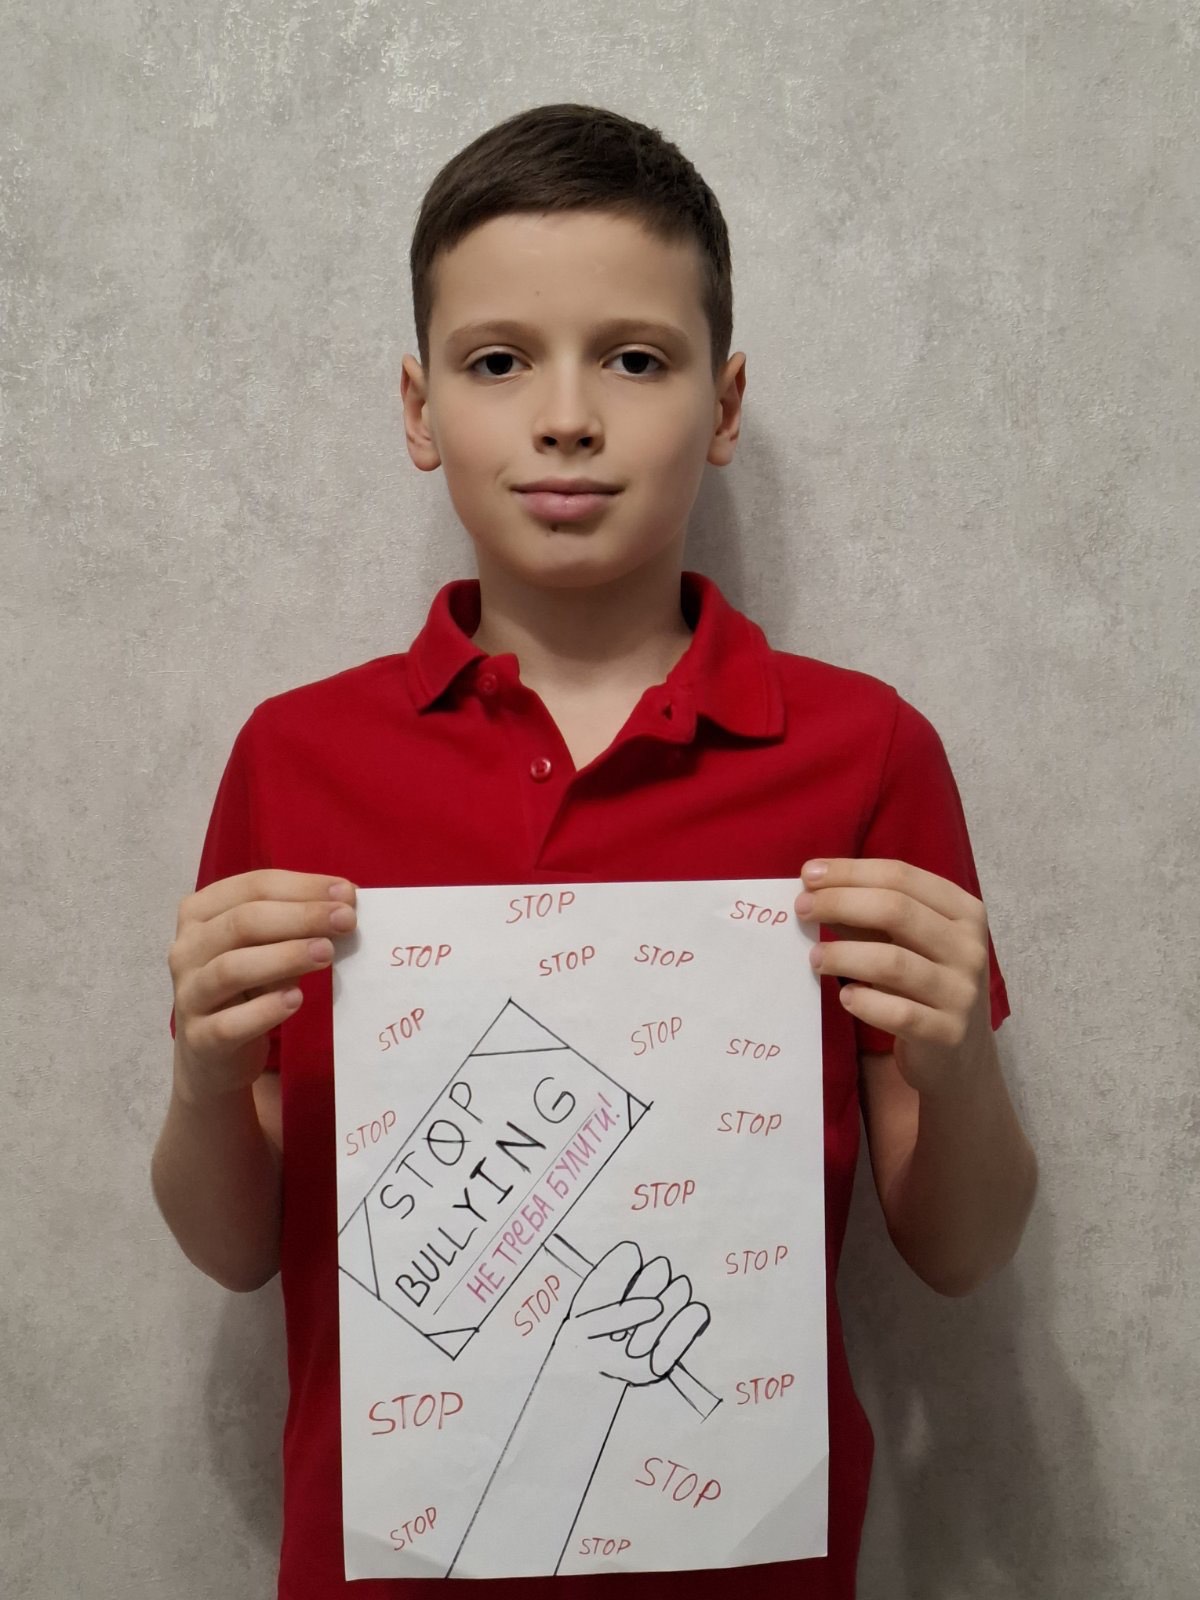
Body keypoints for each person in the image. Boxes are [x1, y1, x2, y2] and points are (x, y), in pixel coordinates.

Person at [153, 102, 1037, 1600]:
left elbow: (960, 1250)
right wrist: (198, 1077)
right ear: (420, 409)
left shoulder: (866, 752)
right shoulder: (296, 759)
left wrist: (959, 1066)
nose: (566, 416)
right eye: (499, 362)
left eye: (635, 358)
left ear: (726, 404)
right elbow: (238, 1247)